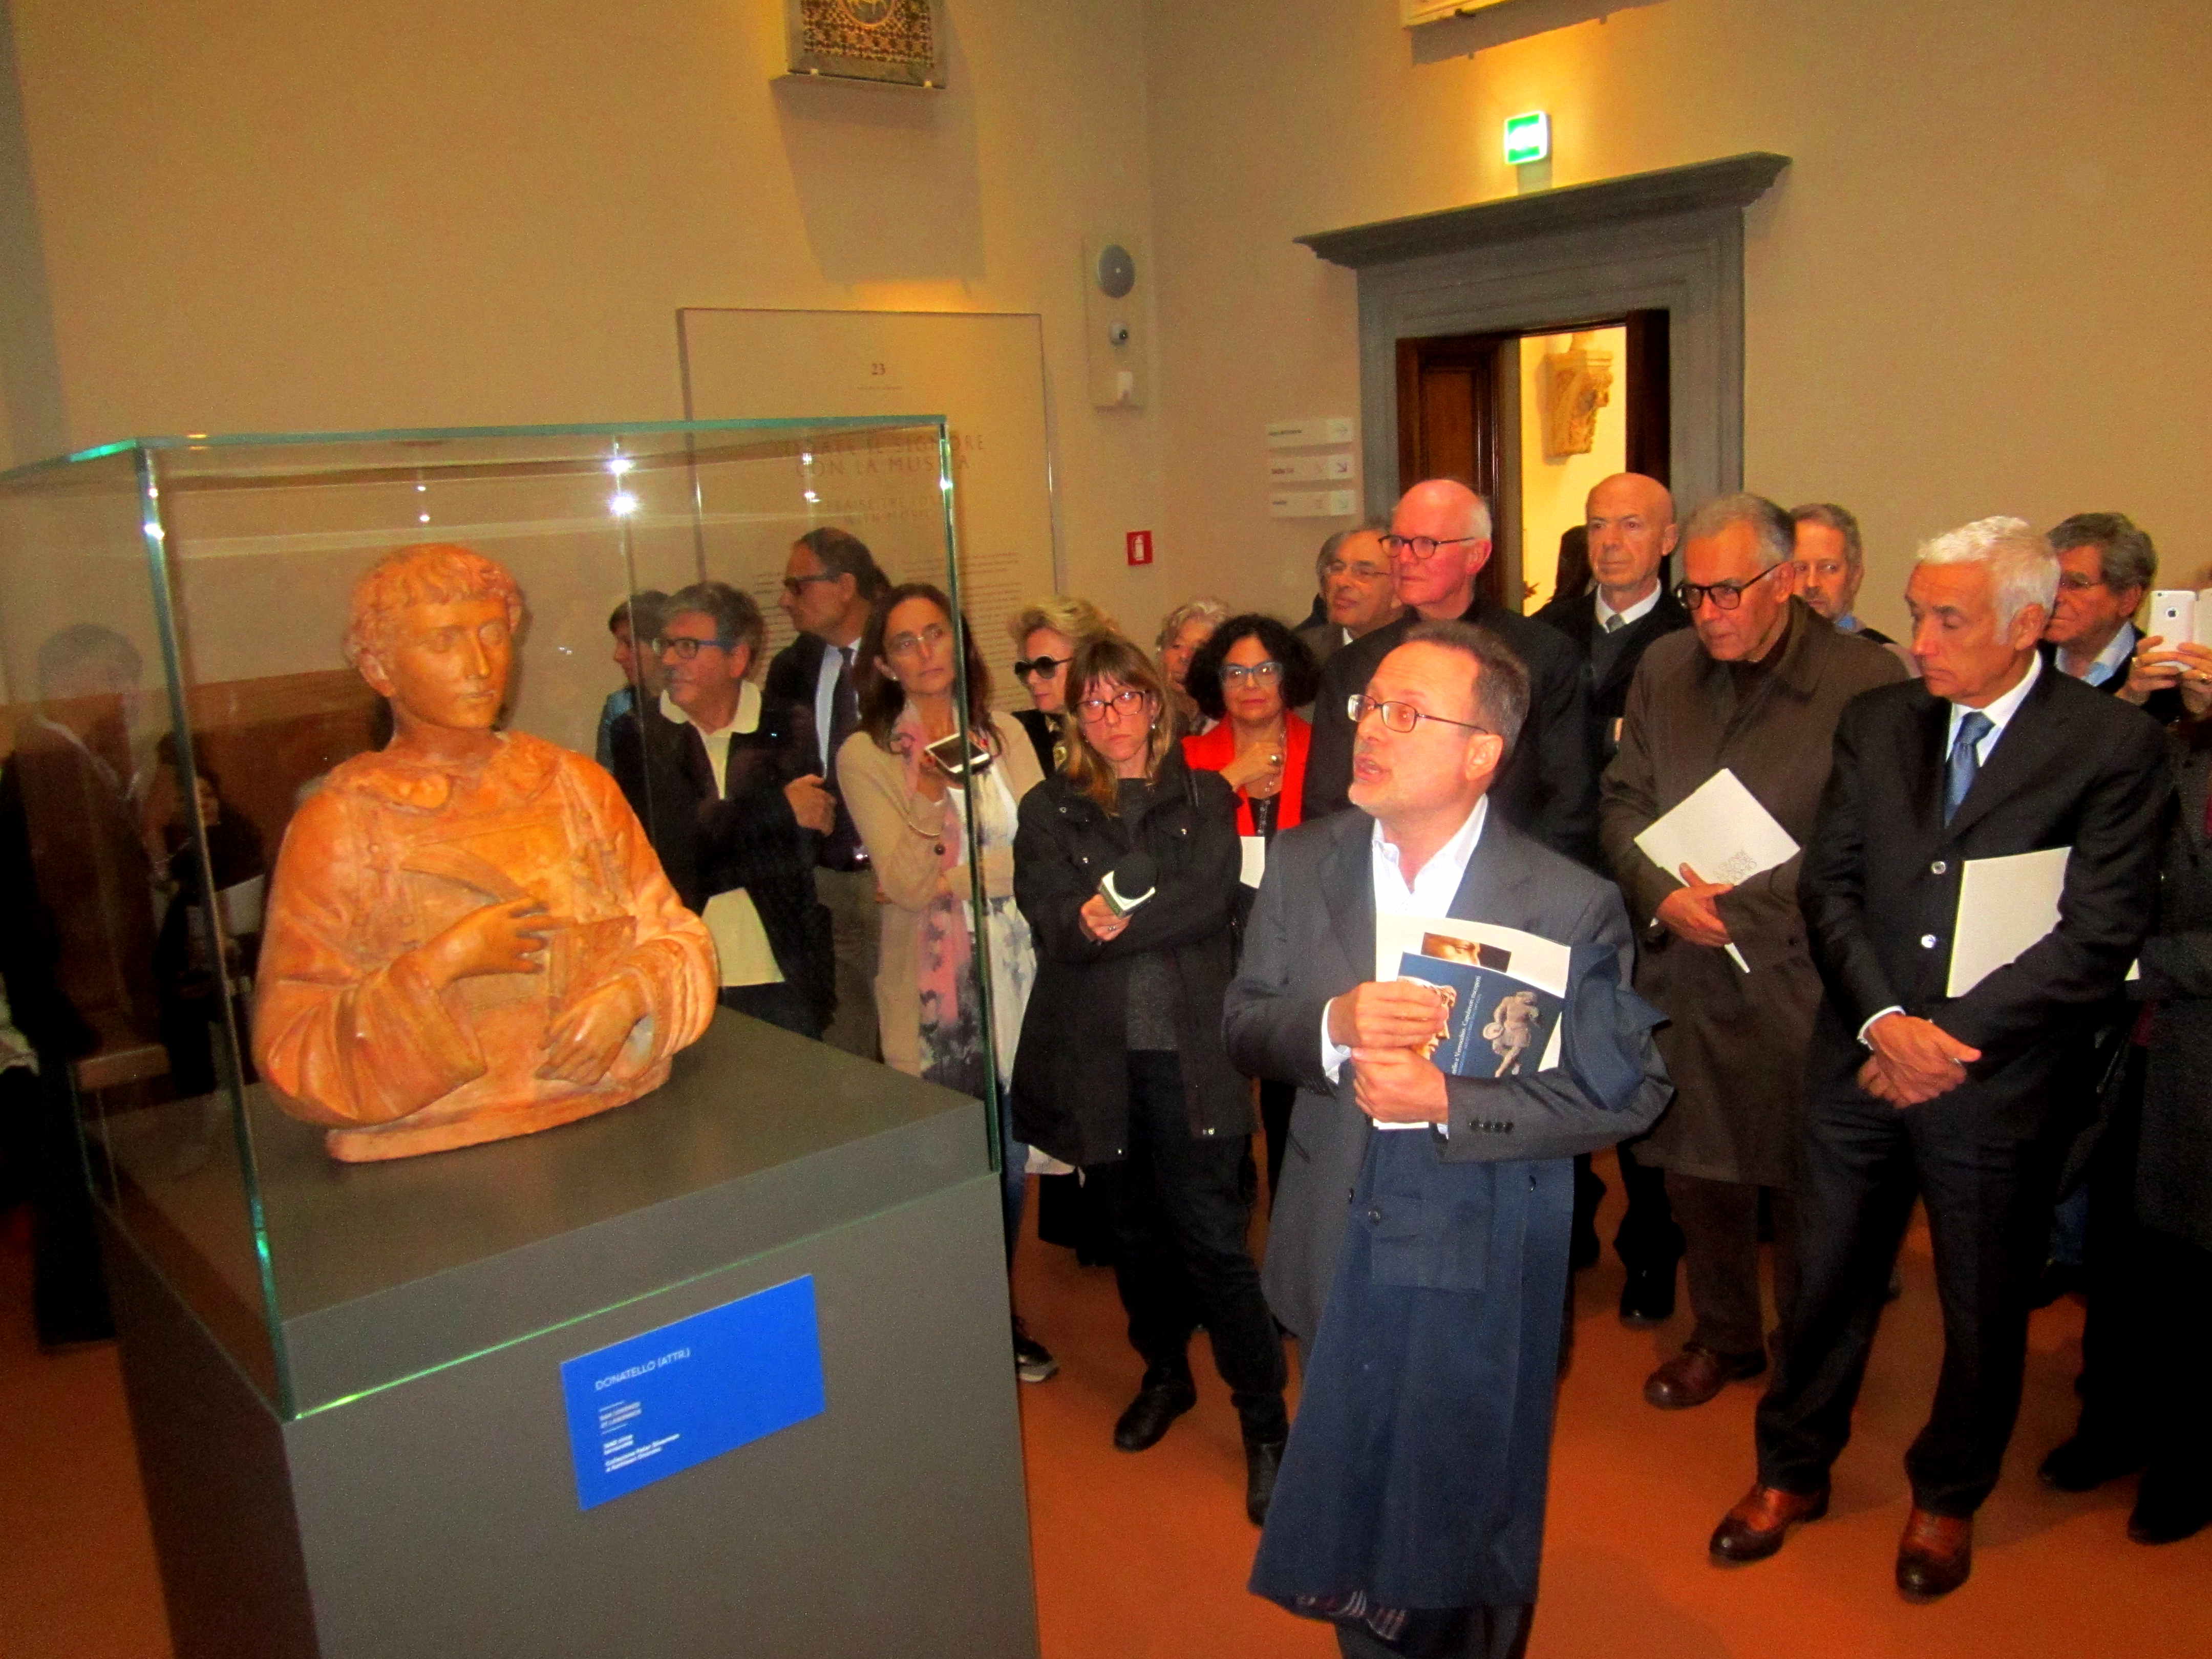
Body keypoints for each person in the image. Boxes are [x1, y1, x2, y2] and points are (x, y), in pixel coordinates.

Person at [1712, 517, 2170, 1600]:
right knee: (1822, 1280)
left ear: (2027, 623)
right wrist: (1884, 1025)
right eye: (1917, 613)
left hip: (1997, 1078)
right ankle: (1791, 1468)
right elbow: (1832, 885)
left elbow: (2098, 932)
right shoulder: (1880, 721)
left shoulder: (2109, 745)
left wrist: (1949, 1040)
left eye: (1948, 620)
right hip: (1860, 1057)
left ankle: (1947, 1494)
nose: (1919, 640)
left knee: (1980, 1302)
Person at [1230, 622, 1669, 1656]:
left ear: (1482, 754)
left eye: (1406, 713)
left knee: (1458, 1526)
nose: (1370, 731)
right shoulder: (1304, 861)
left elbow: (1629, 1092)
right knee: (1350, 1509)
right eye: (1367, 707)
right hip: (1335, 1228)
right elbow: (1244, 1022)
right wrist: (1333, 1024)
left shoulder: (1566, 904)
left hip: (1474, 1246)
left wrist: (1450, 1102)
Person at [252, 544, 717, 1162]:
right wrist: (441, 963)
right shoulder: (343, 824)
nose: (479, 666)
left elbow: (677, 936)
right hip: (435, 1146)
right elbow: (292, 1047)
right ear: (379, 668)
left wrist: (631, 998)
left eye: (493, 635)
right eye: (443, 642)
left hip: (607, 1118)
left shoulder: (575, 787)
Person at [1600, 494, 1907, 1403]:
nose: (1710, 613)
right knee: (1699, 1176)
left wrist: (1748, 906)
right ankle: (1725, 1335)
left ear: (1786, 581)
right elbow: (1622, 800)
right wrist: (1661, 893)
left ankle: (1809, 1357)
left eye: (1729, 591)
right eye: (1695, 594)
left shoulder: (1864, 678)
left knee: (1811, 1185)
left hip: (1803, 974)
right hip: (1686, 967)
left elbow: (1876, 837)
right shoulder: (1665, 665)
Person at [1011, 632, 1287, 1516]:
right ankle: (1166, 1373)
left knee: (1214, 1240)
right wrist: (1080, 925)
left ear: (1154, 704)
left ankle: (1265, 1420)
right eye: (1092, 702)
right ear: (1074, 718)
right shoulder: (1047, 808)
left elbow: (1209, 901)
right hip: (1097, 1056)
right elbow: (1049, 918)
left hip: (1191, 1054)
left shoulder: (1205, 794)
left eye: (1125, 695)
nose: (1110, 715)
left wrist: (1105, 925)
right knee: (1132, 1235)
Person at [837, 582, 1054, 1382]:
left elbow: (1046, 856)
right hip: (935, 998)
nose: (925, 652)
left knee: (1012, 1158)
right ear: (884, 664)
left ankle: (990, 1310)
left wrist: (954, 879)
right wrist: (928, 798)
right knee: (954, 1165)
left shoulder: (1005, 734)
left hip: (1022, 976)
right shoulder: (866, 756)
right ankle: (954, 1320)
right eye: (905, 641)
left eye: (936, 633)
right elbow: (900, 879)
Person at [1534, 473, 1691, 1315]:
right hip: (1553, 881)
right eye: (1598, 525)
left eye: (1632, 525)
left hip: (1642, 884)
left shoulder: (1692, 638)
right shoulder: (1544, 632)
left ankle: (1651, 1250)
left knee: (1634, 1062)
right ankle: (1568, 1229)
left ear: (1668, 539)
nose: (1611, 541)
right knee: (1550, 1061)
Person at [1304, 480, 1598, 868]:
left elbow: (1570, 803)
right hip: (1379, 871)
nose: (1405, 558)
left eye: (1425, 544)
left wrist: (1511, 882)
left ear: (1477, 556)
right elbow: (1327, 801)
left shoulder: (1543, 655)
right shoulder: (1355, 663)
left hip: (1511, 876)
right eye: (1398, 542)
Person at [608, 581, 836, 1038]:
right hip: (686, 973)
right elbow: (673, 862)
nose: (670, 661)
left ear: (738, 659)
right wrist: (777, 811)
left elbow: (802, 851)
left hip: (784, 969)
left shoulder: (785, 724)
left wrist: (717, 836)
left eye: (688, 647)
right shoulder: (640, 734)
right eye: (666, 645)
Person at [1181, 613, 1322, 1205]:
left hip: (1302, 948)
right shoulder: (1191, 757)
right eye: (1234, 672)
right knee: (1220, 1104)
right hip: (1214, 945)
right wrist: (1231, 777)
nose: (1251, 684)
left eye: (1265, 669)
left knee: (1294, 1098)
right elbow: (1177, 851)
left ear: (1289, 676)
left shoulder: (1325, 750)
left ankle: (1292, 1215)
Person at [765, 526, 891, 1060]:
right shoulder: (791, 668)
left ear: (844, 586)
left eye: (798, 586)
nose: (785, 600)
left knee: (912, 1037)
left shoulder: (903, 655)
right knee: (847, 1042)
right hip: (827, 882)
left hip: (898, 881)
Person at [1008, 594, 1118, 775]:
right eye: (1025, 668)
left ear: (1088, 661)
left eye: (1045, 666)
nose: (1031, 679)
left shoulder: (1119, 726)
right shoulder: (1016, 735)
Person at [1296, 525, 1402, 671]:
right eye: (1337, 569)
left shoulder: (1422, 651)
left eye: (1364, 572)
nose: (1342, 582)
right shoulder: (1302, 653)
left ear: (1399, 591)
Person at [1789, 504, 1893, 644]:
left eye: (1829, 568)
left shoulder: (1883, 655)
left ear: (1855, 576)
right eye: (1800, 569)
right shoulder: (1762, 653)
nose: (1812, 583)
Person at [594, 589, 668, 770]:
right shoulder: (620, 706)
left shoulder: (695, 700)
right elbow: (606, 781)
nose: (618, 656)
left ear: (661, 645)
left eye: (629, 644)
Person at [1156, 597, 1227, 732]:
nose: (1184, 656)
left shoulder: (1230, 723)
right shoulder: (1148, 714)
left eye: (1198, 649)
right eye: (1177, 646)